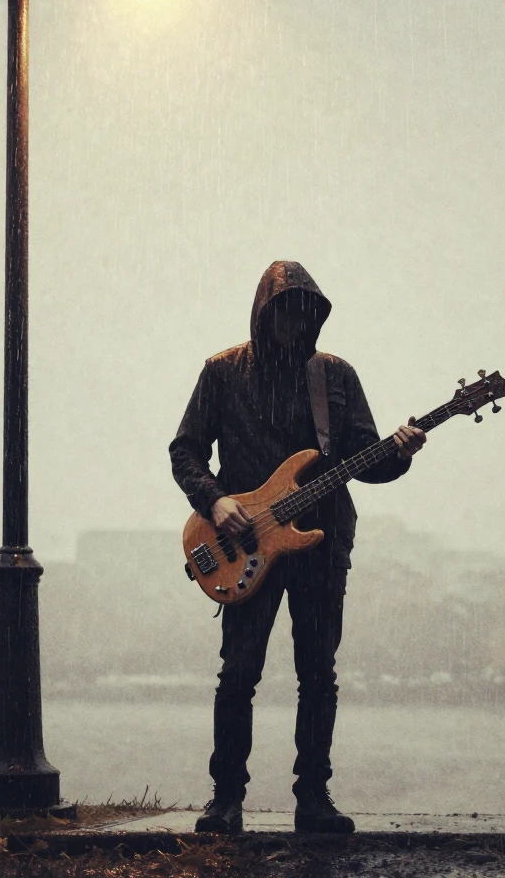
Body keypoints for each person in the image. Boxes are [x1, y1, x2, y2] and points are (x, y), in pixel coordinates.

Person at [169, 261, 426, 834]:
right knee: (238, 674)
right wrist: (214, 503)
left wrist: (401, 452)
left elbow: (367, 463)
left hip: (320, 544)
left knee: (318, 673)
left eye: (305, 312)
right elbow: (184, 450)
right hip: (240, 545)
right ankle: (225, 799)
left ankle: (314, 799)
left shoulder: (333, 376)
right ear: (265, 311)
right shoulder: (221, 372)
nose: (295, 322)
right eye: (285, 310)